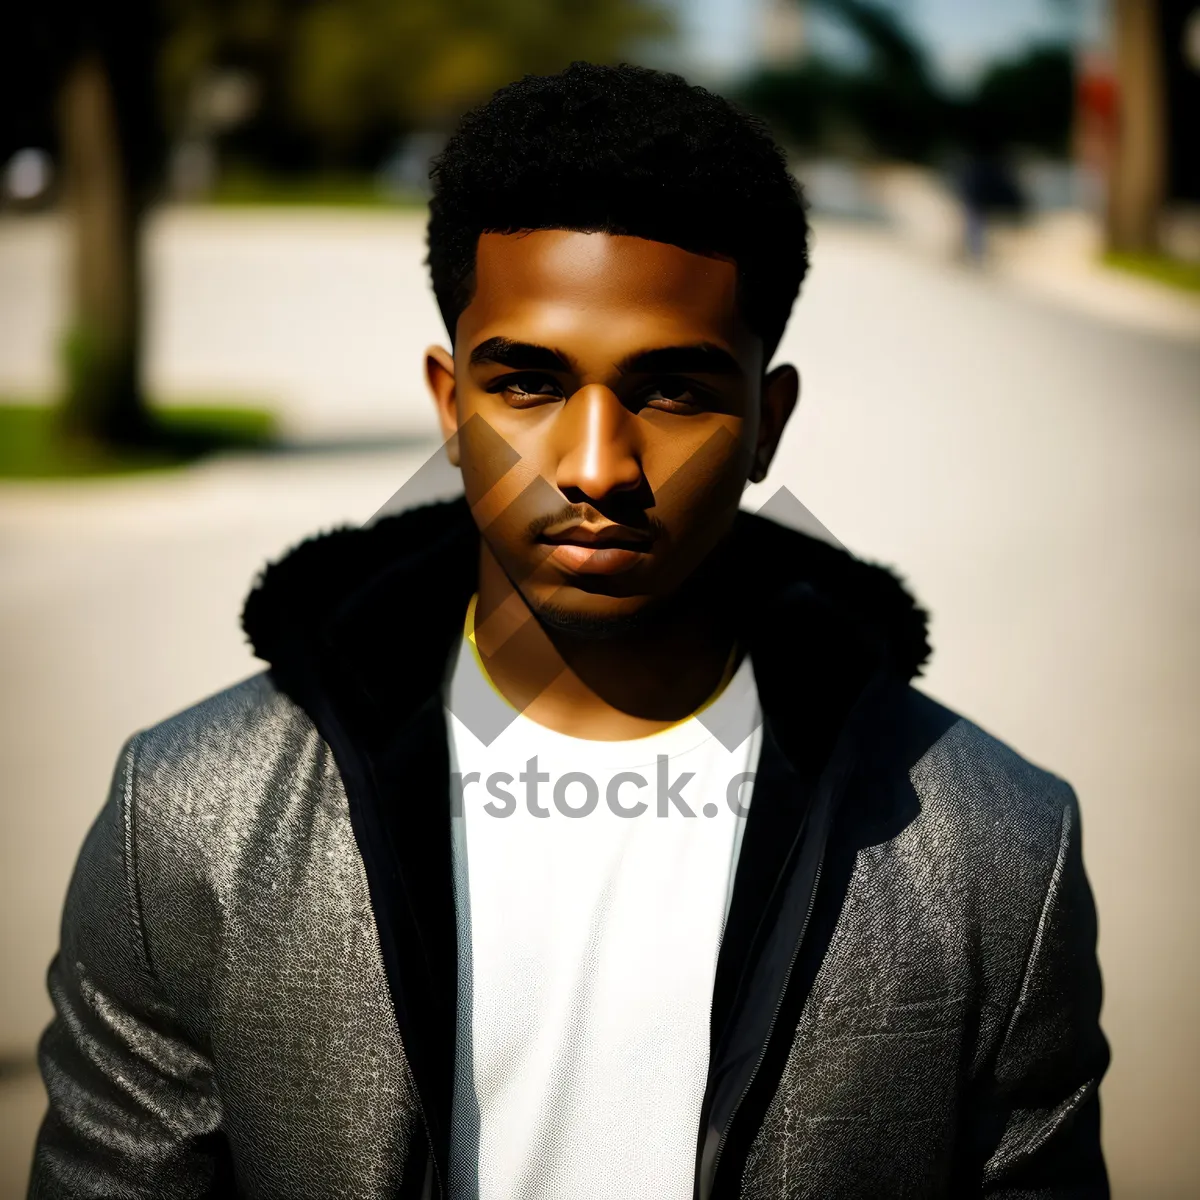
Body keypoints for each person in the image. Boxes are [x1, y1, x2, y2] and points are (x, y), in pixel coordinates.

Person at [28, 62, 1110, 1200]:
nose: (598, 468)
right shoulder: (192, 820)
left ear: (767, 424)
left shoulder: (996, 852)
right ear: (451, 407)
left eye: (675, 392)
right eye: (530, 384)